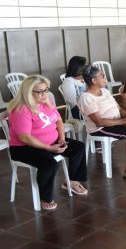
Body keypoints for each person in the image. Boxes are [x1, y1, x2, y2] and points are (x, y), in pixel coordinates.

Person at [8, 75, 88, 210]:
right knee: (49, 164)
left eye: (46, 90)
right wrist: (49, 149)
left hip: (51, 141)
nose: (44, 94)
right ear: (28, 93)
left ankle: (72, 181)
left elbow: (58, 121)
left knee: (78, 148)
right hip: (24, 147)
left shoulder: (47, 102)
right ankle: (45, 197)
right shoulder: (22, 110)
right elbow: (25, 137)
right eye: (40, 91)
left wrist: (62, 139)